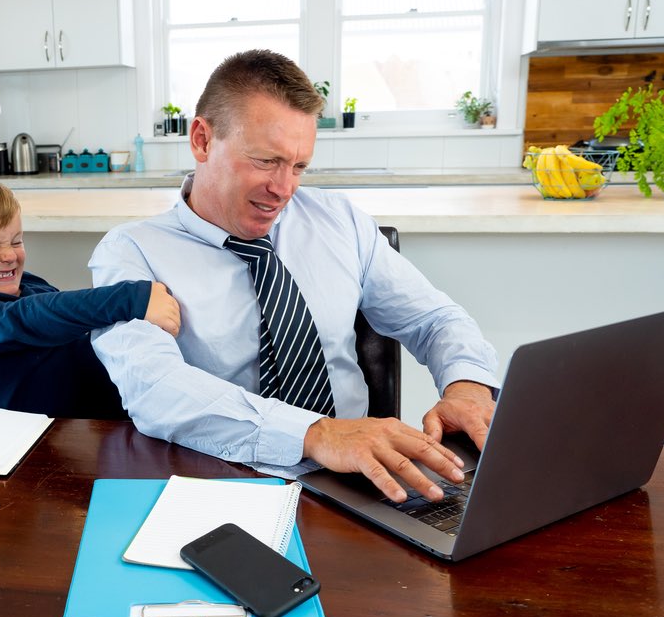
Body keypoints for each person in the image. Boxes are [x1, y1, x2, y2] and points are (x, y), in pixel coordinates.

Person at [89, 50, 499, 501]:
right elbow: (155, 388)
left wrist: (467, 385)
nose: (284, 189)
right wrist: (317, 434)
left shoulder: (338, 221)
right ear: (202, 140)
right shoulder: (131, 253)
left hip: (363, 482)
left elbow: (434, 318)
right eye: (266, 160)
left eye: (299, 166)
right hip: (219, 482)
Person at [0, 170, 180, 418]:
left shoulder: (28, 284)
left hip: (113, 411)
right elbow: (31, 317)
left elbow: (63, 316)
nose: (10, 256)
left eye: (16, 241)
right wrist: (132, 298)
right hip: (46, 443)